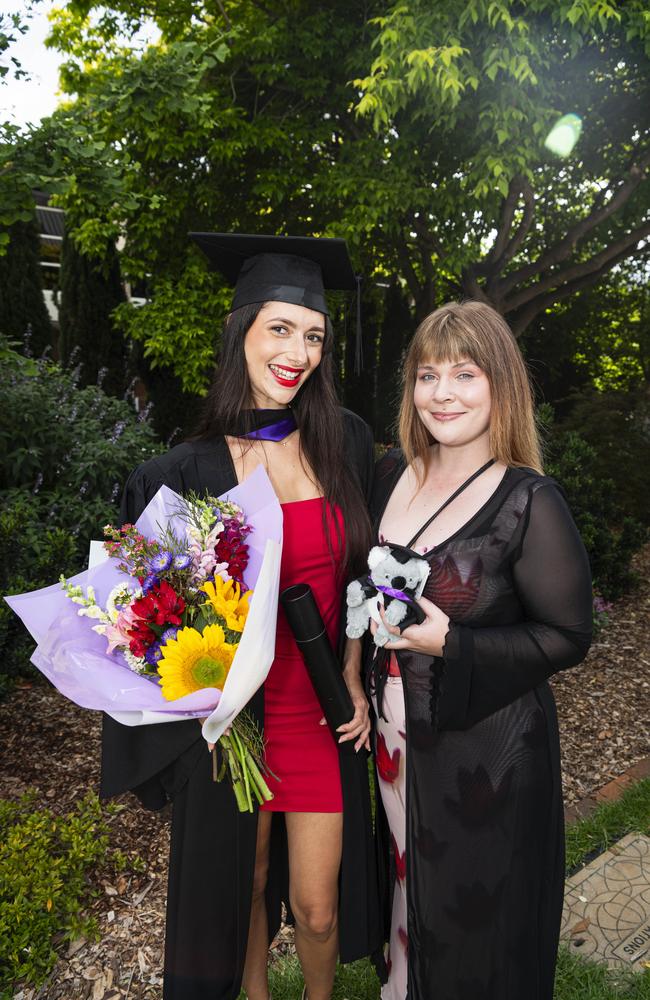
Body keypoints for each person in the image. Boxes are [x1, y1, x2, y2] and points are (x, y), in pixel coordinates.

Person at [101, 233, 382, 1000]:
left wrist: (356, 674)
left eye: (314, 335)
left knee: (320, 911)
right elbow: (143, 620)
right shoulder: (183, 475)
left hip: (320, 710)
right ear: (242, 334)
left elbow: (366, 573)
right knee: (247, 882)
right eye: (280, 330)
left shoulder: (346, 444)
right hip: (239, 725)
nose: (298, 352)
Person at [367, 300, 593, 1000]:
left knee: (479, 921)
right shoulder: (390, 475)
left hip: (486, 758)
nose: (442, 393)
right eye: (426, 374)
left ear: (500, 385)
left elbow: (568, 635)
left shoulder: (530, 501)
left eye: (465, 374)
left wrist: (450, 640)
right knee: (409, 891)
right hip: (395, 741)